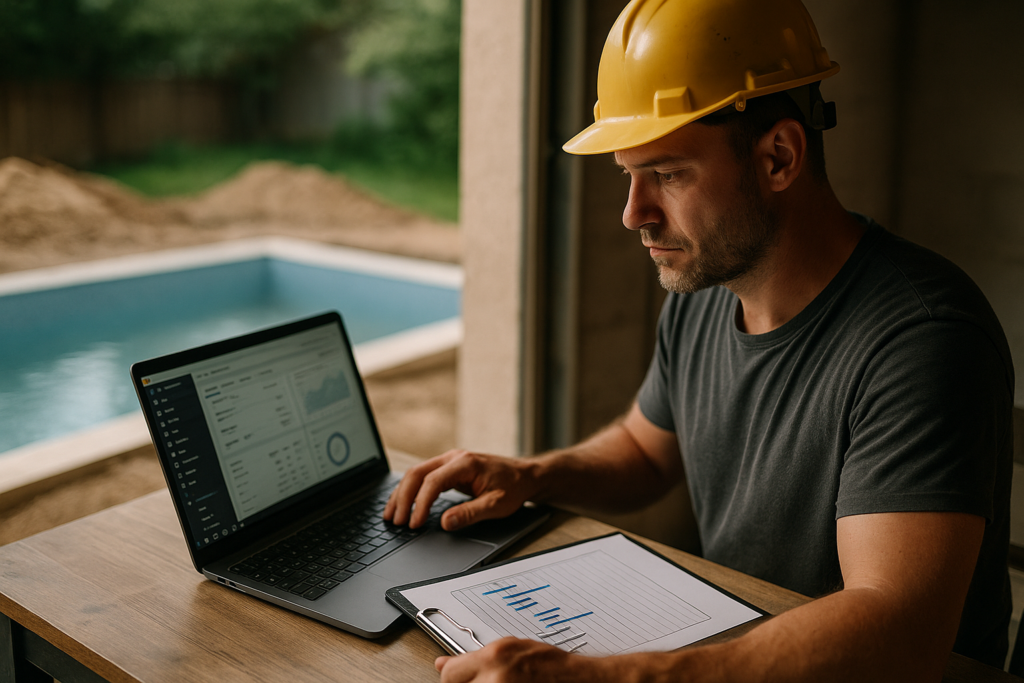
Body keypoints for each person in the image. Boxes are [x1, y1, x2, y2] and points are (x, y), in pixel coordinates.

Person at [384, 0, 1015, 680]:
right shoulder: (707, 291)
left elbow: (900, 628)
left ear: (778, 156)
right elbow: (641, 451)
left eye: (668, 173)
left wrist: (610, 676)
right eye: (628, 175)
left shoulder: (922, 340)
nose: (634, 213)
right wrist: (531, 474)